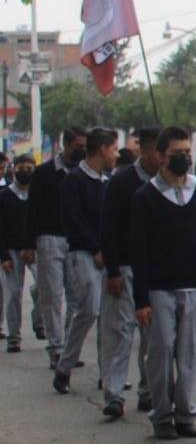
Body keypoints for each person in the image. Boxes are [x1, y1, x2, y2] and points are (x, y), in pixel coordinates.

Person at [131, 127, 196, 440]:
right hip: (159, 287)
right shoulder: (145, 196)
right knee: (162, 350)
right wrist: (141, 299)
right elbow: (138, 250)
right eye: (176, 153)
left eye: (187, 152)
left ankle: (185, 412)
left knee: (188, 352)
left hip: (194, 286)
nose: (183, 158)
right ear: (161, 156)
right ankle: (162, 414)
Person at [98, 127, 162, 418]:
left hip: (156, 271)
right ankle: (114, 394)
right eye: (161, 153)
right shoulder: (121, 183)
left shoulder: (173, 185)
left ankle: (149, 391)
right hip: (124, 267)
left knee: (153, 335)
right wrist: (112, 270)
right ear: (147, 152)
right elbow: (108, 228)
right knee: (120, 332)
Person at [52, 127, 117, 394]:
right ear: (102, 149)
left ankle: (109, 374)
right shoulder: (75, 180)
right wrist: (95, 248)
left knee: (109, 317)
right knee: (89, 309)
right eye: (113, 148)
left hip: (108, 256)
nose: (115, 154)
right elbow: (73, 219)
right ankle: (64, 366)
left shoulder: (108, 182)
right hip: (82, 253)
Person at [28, 127, 85, 367]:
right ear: (66, 145)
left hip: (76, 242)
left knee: (78, 298)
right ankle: (56, 349)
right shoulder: (43, 173)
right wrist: (29, 244)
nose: (81, 150)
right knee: (52, 295)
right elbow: (32, 210)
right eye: (78, 146)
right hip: (49, 239)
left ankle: (70, 349)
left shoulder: (84, 175)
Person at [0, 155, 34, 353]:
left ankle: (39, 322)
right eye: (22, 167)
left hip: (34, 249)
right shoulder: (4, 197)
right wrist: (4, 256)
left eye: (30, 168)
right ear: (14, 169)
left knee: (43, 288)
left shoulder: (37, 196)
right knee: (13, 294)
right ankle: (14, 337)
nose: (26, 171)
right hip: (12, 251)